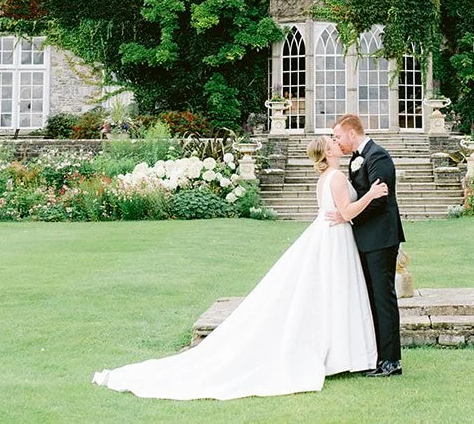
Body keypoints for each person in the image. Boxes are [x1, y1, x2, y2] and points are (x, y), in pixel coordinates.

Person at [92, 136, 388, 400]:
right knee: (334, 292)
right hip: (334, 238)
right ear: (328, 153)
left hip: (329, 235)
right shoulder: (335, 178)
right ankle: (340, 354)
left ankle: (341, 354)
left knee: (329, 293)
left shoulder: (325, 178)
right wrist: (371, 196)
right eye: (332, 142)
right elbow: (346, 212)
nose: (338, 142)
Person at [327, 113, 406, 378]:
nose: (337, 142)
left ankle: (391, 360)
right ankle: (377, 355)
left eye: (338, 136)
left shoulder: (378, 156)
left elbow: (378, 199)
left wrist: (348, 214)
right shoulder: (355, 159)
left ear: (352, 133)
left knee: (383, 298)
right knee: (370, 297)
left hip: (382, 238)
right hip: (364, 237)